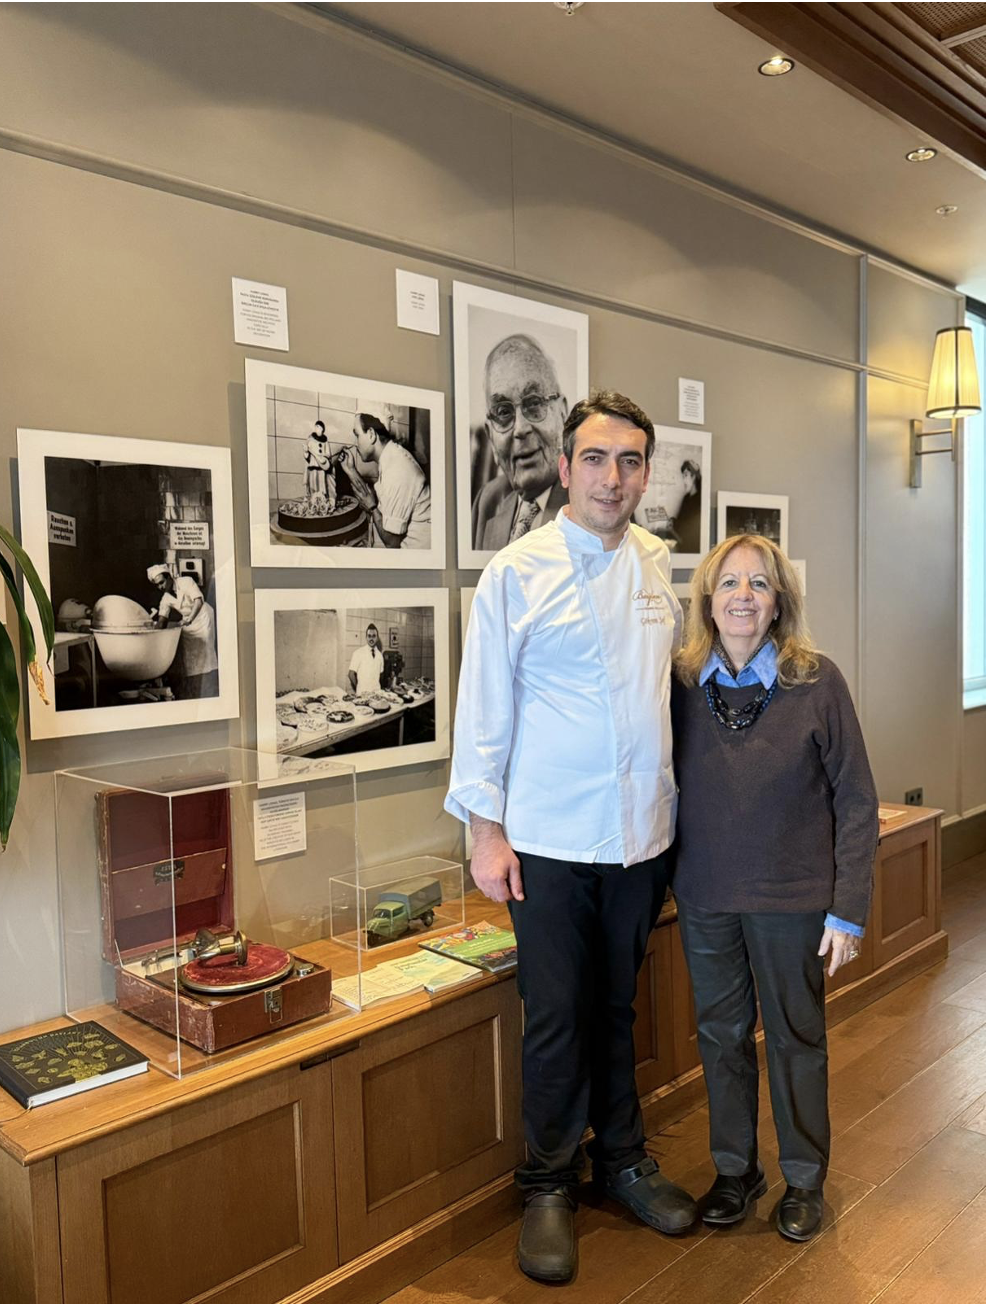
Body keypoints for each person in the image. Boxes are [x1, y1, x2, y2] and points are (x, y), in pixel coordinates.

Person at [447, 390, 697, 1284]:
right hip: (547, 840)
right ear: (564, 468)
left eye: (630, 461)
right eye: (595, 458)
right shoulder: (515, 572)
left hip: (640, 837)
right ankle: (548, 1181)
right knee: (555, 1015)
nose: (612, 477)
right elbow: (484, 712)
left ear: (645, 474)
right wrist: (485, 833)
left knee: (618, 1007)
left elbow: (665, 698)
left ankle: (622, 1159)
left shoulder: (658, 565)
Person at [670, 535, 878, 1242]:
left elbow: (857, 799)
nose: (743, 596)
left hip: (793, 899)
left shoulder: (816, 681)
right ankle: (735, 1170)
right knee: (721, 1037)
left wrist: (848, 910)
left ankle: (804, 1178)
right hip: (705, 895)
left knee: (795, 1037)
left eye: (759, 583)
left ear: (780, 600)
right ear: (708, 599)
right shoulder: (680, 683)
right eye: (729, 583)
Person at [471, 334, 569, 551]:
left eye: (534, 403)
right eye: (503, 412)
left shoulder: (593, 502)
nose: (520, 429)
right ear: (490, 436)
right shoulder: (488, 501)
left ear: (563, 415)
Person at [343, 412, 431, 549]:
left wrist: (372, 507)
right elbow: (369, 496)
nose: (355, 443)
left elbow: (392, 542)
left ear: (371, 434)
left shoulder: (397, 468)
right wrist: (350, 470)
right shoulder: (391, 457)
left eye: (357, 435)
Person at [148, 564, 218, 699]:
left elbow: (198, 601)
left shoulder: (186, 582)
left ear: (169, 578)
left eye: (162, 582)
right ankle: (195, 687)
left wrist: (190, 619)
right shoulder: (165, 599)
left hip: (202, 618)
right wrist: (152, 633)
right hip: (187, 622)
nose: (160, 587)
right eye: (157, 585)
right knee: (189, 657)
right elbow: (162, 620)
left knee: (206, 652)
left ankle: (209, 684)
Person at [305, 420, 338, 511]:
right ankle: (313, 505)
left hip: (322, 467)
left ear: (323, 429)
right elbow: (307, 455)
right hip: (313, 466)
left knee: (322, 485)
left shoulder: (325, 441)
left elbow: (328, 454)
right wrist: (306, 452)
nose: (317, 429)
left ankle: (323, 504)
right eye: (316, 427)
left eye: (319, 427)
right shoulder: (310, 439)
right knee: (313, 485)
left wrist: (322, 457)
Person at [673, 459, 701, 554]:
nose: (683, 480)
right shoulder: (686, 498)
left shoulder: (699, 500)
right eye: (683, 476)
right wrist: (673, 521)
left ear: (693, 477)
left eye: (686, 475)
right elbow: (682, 522)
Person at [348, 623, 384, 696]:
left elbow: (381, 675)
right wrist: (359, 687)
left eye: (374, 636)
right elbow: (351, 674)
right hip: (362, 695)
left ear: (377, 638)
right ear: (366, 637)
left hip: (377, 695)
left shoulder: (380, 655)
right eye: (369, 636)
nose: (371, 639)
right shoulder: (358, 653)